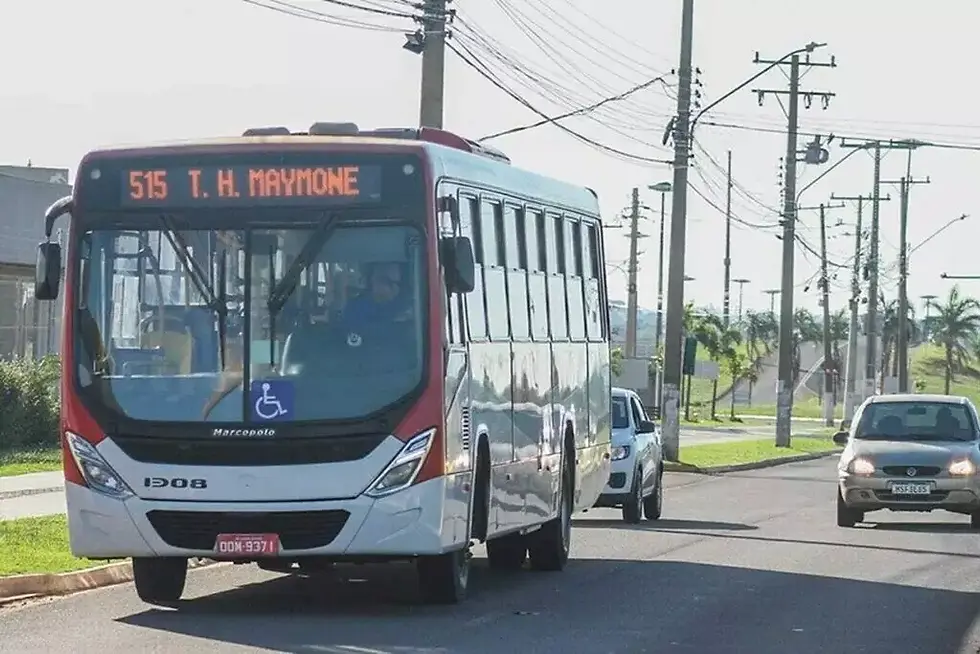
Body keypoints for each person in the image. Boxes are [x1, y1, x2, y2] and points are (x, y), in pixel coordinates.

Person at [342, 261, 412, 328]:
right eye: (385, 281)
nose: (393, 287)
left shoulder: (408, 311)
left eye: (397, 283)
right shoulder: (355, 310)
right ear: (370, 281)